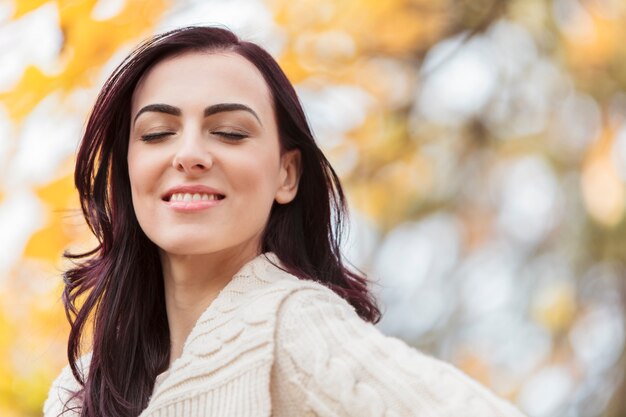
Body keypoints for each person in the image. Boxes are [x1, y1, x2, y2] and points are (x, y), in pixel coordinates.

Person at [44, 26, 527, 417]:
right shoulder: (78, 391)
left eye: (229, 132)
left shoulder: (289, 326)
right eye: (157, 133)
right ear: (126, 172)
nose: (189, 154)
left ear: (287, 174)